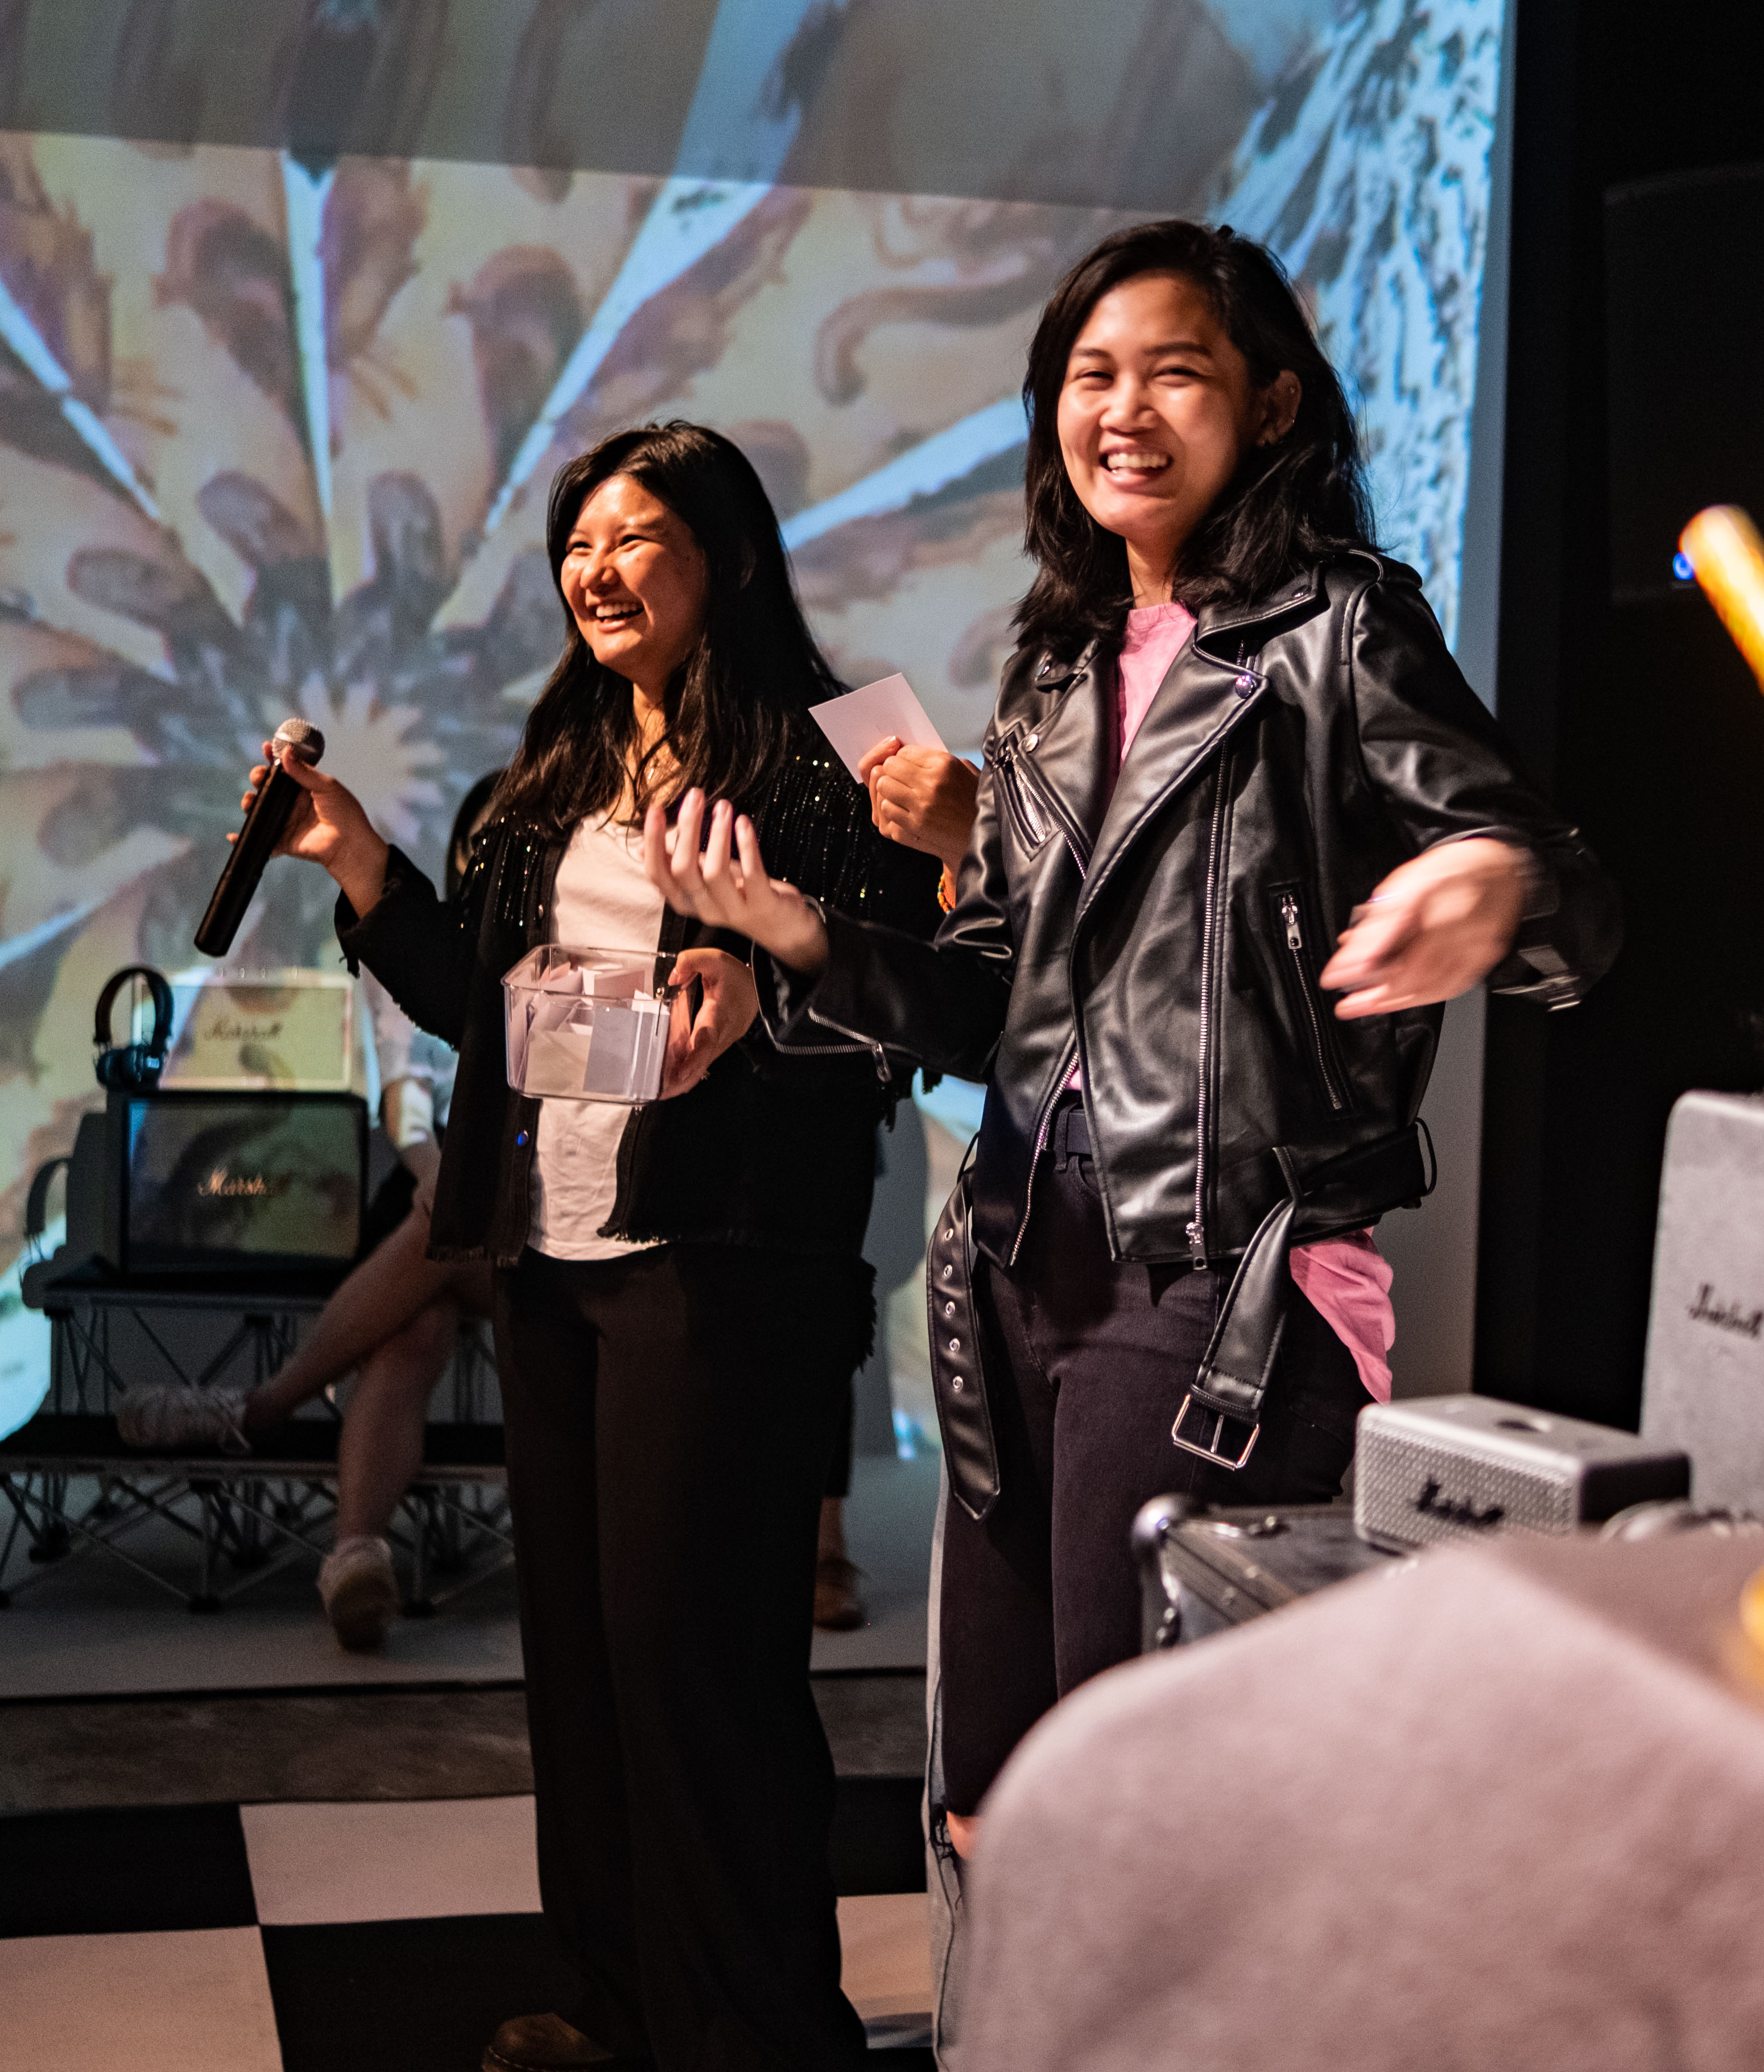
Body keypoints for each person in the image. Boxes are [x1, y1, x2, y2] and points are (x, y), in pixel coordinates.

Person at [641, 220, 1620, 1879]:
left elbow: (1573, 897)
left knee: (1145, 1814)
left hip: (1216, 1282)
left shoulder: (1337, 629)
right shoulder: (1048, 666)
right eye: (1090, 376)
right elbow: (989, 999)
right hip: (1016, 1265)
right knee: (993, 1805)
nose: (1124, 409)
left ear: (1274, 409)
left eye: (1176, 372)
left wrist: (1489, 881)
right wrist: (799, 942)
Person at [250, 421, 935, 2072]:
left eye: (636, 536)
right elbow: (481, 1017)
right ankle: (625, 2011)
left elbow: (929, 979)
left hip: (731, 1259)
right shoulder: (545, 775)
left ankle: (759, 2034)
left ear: (730, 557)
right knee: (580, 1662)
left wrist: (772, 984)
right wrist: (353, 859)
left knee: (696, 1664)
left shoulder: (852, 741)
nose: (596, 569)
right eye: (576, 542)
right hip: (552, 1262)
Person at [119, 777, 506, 1655]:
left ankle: (260, 1410)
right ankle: (355, 1555)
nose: (498, 859)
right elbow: (404, 1098)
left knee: (448, 1228)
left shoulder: (562, 950)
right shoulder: (421, 947)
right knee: (416, 1324)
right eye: (482, 845)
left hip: (532, 1210)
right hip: (435, 1192)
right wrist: (435, 1165)